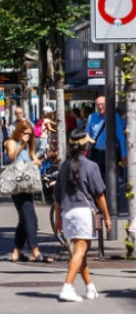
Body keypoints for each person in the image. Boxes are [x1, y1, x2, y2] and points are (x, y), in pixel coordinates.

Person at [54, 129, 111, 302]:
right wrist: (107, 217)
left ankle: (90, 287)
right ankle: (67, 287)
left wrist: (57, 218)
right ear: (85, 146)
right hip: (84, 213)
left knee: (79, 253)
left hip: (67, 213)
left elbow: (57, 196)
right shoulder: (91, 166)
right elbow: (99, 195)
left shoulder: (64, 166)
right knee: (80, 251)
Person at [5, 119, 53, 264]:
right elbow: (12, 157)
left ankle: (17, 252)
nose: (28, 136)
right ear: (19, 132)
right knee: (31, 218)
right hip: (17, 184)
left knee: (24, 219)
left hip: (28, 184)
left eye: (30, 134)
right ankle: (35, 251)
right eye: (25, 134)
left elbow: (33, 160)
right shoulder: (11, 142)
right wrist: (23, 144)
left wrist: (39, 160)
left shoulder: (28, 147)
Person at [84, 95, 127, 182]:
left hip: (111, 154)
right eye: (98, 105)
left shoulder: (114, 117)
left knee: (110, 180)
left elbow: (121, 137)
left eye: (102, 104)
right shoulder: (91, 117)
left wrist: (124, 154)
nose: (100, 106)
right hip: (96, 154)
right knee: (96, 180)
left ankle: (110, 195)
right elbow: (87, 136)